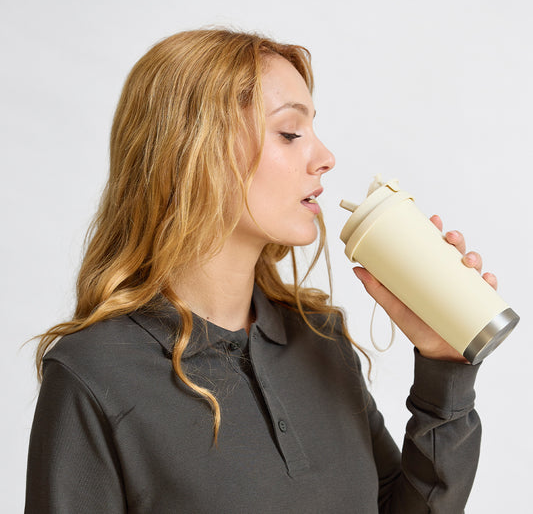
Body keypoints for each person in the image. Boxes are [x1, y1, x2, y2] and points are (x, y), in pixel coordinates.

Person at [25, 28, 495, 513]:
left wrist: (444, 370)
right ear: (193, 152)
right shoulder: (93, 373)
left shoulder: (320, 340)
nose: (325, 158)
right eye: (290, 133)